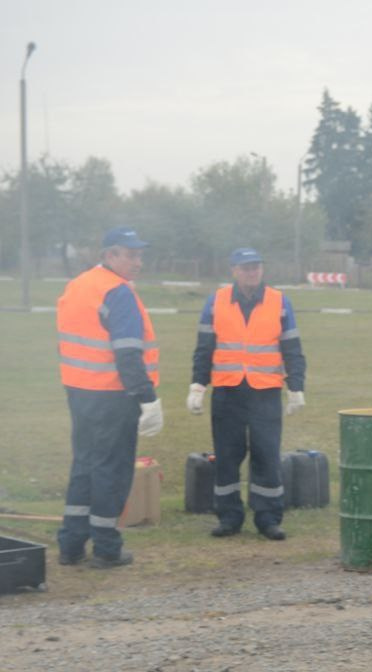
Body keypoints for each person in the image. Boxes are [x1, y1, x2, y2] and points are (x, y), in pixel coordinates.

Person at [55, 226, 163, 569]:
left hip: (79, 391)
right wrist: (148, 397)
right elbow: (128, 354)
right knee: (111, 471)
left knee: (84, 465)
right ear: (109, 255)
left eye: (139, 254)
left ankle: (71, 544)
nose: (138, 262)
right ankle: (106, 547)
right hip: (113, 394)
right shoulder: (117, 292)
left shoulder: (78, 285)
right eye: (130, 254)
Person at [188, 248, 306, 540]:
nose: (251, 272)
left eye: (255, 267)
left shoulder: (279, 302)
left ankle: (268, 518)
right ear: (234, 271)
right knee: (227, 457)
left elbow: (292, 348)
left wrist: (296, 386)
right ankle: (229, 517)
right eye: (245, 268)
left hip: (265, 392)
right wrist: (198, 385)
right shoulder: (216, 302)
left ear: (262, 270)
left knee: (266, 455)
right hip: (228, 390)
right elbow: (205, 348)